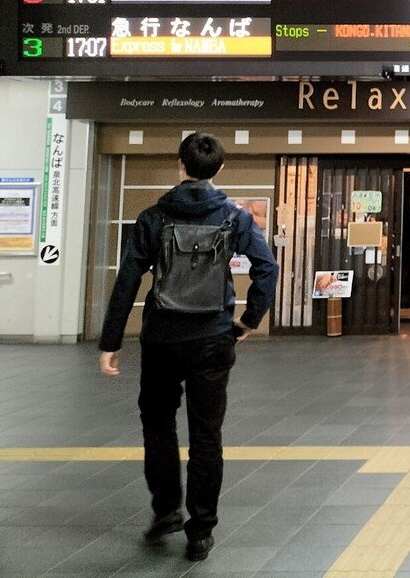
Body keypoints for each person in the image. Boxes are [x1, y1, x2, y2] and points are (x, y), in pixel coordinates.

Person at [98, 133, 278, 562]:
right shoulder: (235, 218)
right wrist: (248, 321)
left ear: (180, 166)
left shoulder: (154, 216)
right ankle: (200, 531)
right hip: (213, 338)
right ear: (219, 170)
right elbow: (266, 268)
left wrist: (110, 341)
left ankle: (165, 513)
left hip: (161, 338)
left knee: (158, 426)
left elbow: (128, 279)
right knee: (206, 434)